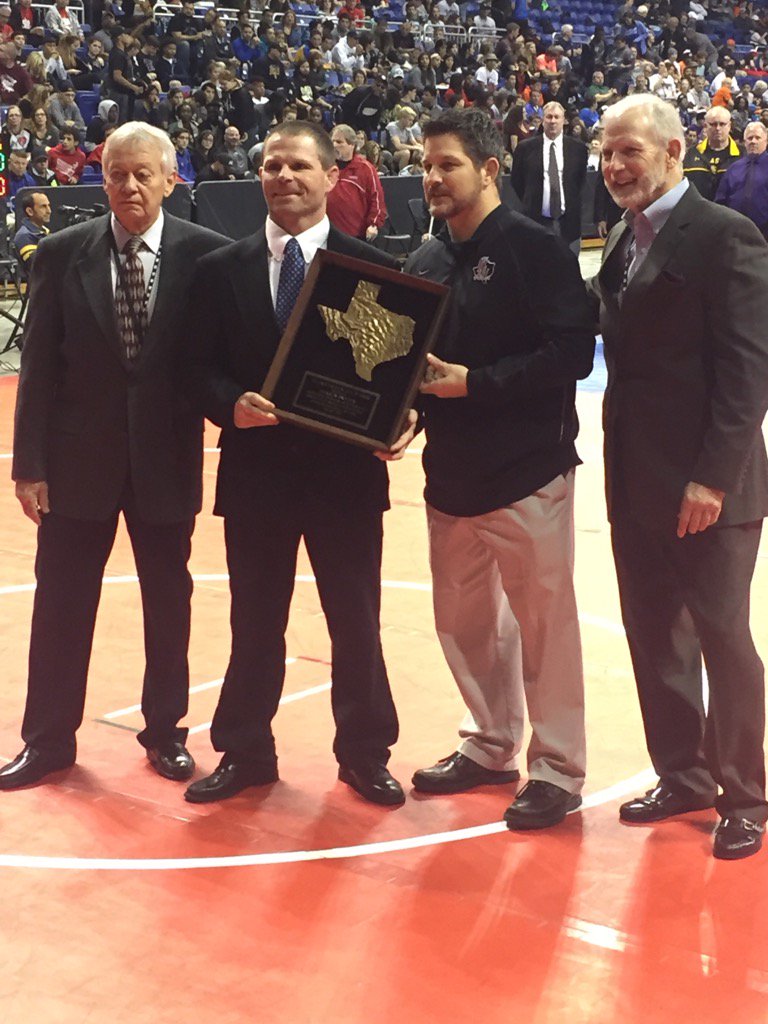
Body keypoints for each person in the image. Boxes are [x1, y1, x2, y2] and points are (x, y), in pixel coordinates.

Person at [182, 120, 415, 808]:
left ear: (329, 177)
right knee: (254, 619)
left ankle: (365, 753)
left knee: (356, 618)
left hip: (345, 478)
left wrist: (402, 418)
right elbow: (195, 370)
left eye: (298, 166)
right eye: (272, 166)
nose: (284, 177)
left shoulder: (371, 269)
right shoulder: (218, 270)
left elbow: (395, 379)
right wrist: (231, 406)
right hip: (255, 474)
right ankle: (245, 750)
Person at [0, 123, 229, 792]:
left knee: (169, 602)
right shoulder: (61, 253)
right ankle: (46, 741)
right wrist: (28, 464)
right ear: (100, 179)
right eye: (115, 174)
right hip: (76, 465)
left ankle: (166, 733)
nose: (128, 186)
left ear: (169, 178)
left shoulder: (208, 258)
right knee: (61, 604)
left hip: (166, 459)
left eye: (141, 174)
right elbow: (37, 367)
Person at [404, 109, 594, 830]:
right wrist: (399, 417)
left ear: (488, 169)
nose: (432, 177)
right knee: (465, 623)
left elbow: (572, 352)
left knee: (544, 626)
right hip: (448, 474)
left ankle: (557, 768)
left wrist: (474, 384)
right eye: (426, 165)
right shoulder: (425, 259)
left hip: (527, 470)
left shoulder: (532, 248)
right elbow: (408, 368)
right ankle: (488, 744)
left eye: (447, 164)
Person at [592, 95, 768, 860]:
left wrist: (712, 478)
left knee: (723, 636)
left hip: (709, 489)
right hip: (634, 478)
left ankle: (747, 794)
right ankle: (684, 773)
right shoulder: (620, 245)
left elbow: (746, 372)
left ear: (672, 150)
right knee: (652, 631)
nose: (614, 166)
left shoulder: (725, 235)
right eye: (606, 153)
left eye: (629, 151)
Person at [510, 100, 588, 254]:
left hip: (568, 223)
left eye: (557, 117)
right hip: (536, 221)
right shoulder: (525, 148)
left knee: (568, 271)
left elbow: (580, 181)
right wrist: (531, 200)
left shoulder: (578, 149)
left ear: (564, 120)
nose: (553, 121)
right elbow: (517, 181)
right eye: (549, 117)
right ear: (542, 120)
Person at [327, 123, 387, 241]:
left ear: (352, 145)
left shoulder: (365, 168)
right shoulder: (325, 167)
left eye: (339, 142)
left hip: (355, 236)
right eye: (332, 141)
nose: (334, 145)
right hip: (328, 235)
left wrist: (373, 224)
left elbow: (377, 200)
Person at [715, 122, 768, 240]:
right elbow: (721, 200)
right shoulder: (734, 168)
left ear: (766, 140)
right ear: (745, 142)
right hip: (736, 234)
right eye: (749, 138)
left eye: (757, 137)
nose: (753, 141)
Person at [683, 106, 742, 201]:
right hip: (698, 213)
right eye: (713, 124)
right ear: (705, 126)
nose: (718, 128)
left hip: (732, 213)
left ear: (729, 126)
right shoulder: (691, 154)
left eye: (722, 124)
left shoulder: (743, 155)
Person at [13, 190, 51, 272]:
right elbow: (37, 267)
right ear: (30, 211)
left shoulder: (44, 231)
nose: (49, 211)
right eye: (43, 206)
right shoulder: (24, 236)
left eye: (48, 206)